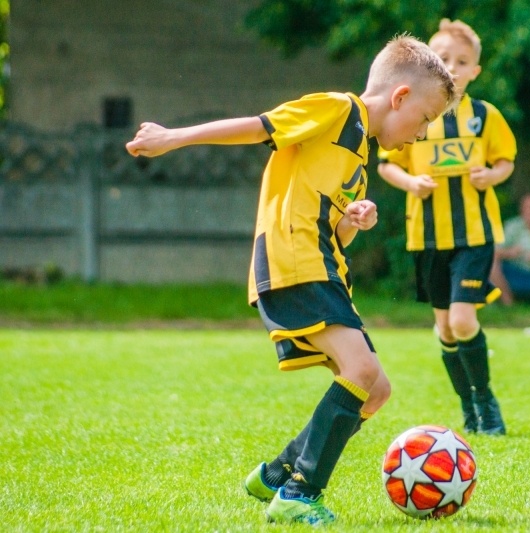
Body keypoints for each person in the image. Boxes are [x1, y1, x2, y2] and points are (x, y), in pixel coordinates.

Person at [126, 36, 458, 525]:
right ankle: (300, 493)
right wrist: (173, 137)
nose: (424, 134)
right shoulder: (337, 110)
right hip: (296, 263)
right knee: (361, 374)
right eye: (427, 118)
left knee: (376, 389)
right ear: (401, 97)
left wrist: (354, 219)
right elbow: (259, 127)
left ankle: (279, 474)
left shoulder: (361, 156)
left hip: (324, 268)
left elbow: (337, 234)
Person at [377, 19, 517, 436]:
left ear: (476, 70)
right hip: (428, 236)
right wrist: (411, 182)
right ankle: (468, 407)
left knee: (461, 320)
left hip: (474, 235)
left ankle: (486, 401)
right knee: (444, 328)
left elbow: (506, 160)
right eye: (445, 59)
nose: (453, 67)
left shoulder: (484, 117)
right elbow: (387, 164)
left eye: (463, 61)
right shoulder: (420, 116)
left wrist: (491, 176)